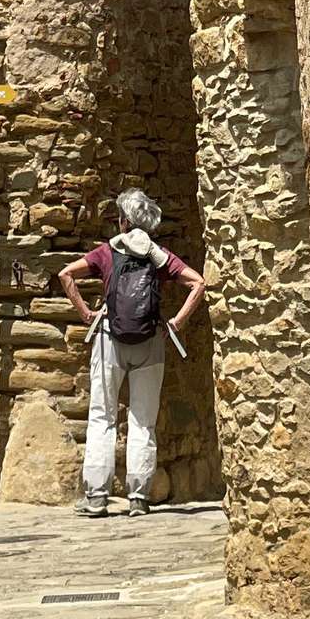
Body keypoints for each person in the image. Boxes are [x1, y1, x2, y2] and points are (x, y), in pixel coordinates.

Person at [60, 190, 206, 518]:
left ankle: (96, 497)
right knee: (143, 420)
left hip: (109, 340)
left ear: (124, 221)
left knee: (102, 416)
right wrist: (177, 323)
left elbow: (65, 274)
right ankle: (138, 498)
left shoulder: (106, 252)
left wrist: (86, 314)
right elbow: (198, 283)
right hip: (150, 342)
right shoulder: (159, 256)